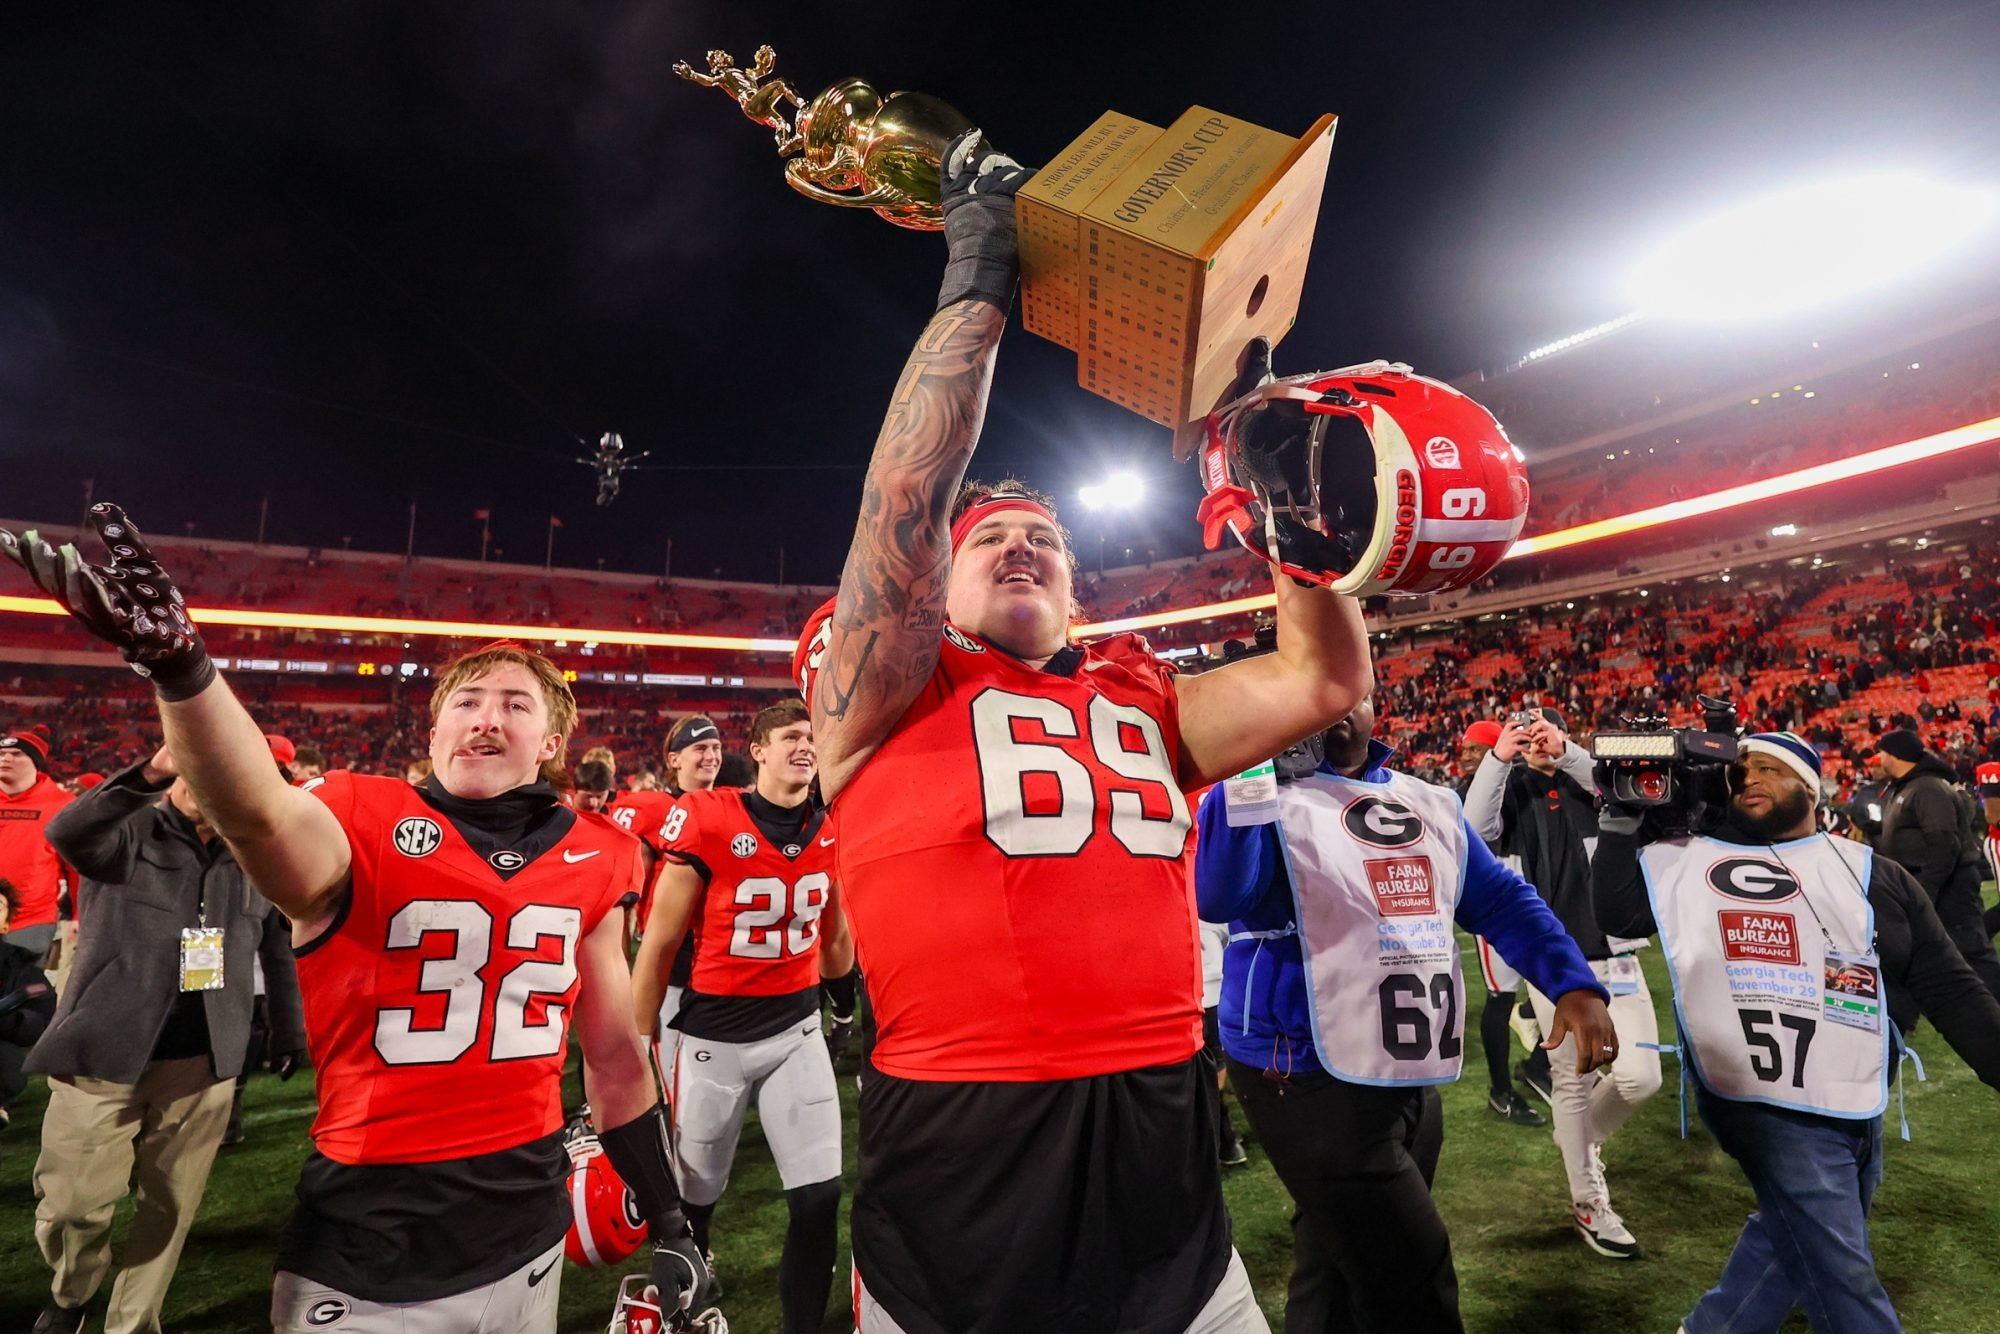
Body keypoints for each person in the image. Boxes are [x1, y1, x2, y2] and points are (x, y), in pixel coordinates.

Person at [795, 128, 1373, 1333]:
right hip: (965, 1139)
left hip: (1160, 1130)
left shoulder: (1136, 692)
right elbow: (902, 504)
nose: (1017, 545)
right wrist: (975, 290)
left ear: (1075, 590)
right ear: (936, 588)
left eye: (1043, 540)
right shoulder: (888, 685)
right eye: (986, 537)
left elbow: (1320, 680)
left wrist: (1289, 512)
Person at [1, 510, 711, 1334]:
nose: (486, 717)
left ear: (552, 738)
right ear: (434, 727)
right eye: (467, 701)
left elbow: (617, 1059)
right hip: (372, 1234)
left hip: (526, 1225)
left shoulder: (599, 852)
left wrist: (670, 1217)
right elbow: (260, 817)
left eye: (515, 705)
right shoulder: (357, 814)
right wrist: (183, 672)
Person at [1197, 695, 1613, 1332]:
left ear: (1374, 705)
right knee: (1414, 1282)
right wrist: (1251, 771)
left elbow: (1500, 901)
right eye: (1312, 692)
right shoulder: (1262, 794)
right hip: (1301, 1071)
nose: (1332, 706)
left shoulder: (1430, 801)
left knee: (1335, 1268)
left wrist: (1573, 985)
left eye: (1350, 692)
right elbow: (1221, 894)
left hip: (1408, 1067)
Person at [1594, 731, 2000, 1333]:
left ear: (1809, 786)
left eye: (1766, 768)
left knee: (1792, 1237)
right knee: (1844, 1280)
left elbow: (1949, 986)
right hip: (1759, 1095)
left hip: (1855, 1089)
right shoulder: (1691, 858)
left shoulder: (1873, 872)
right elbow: (1618, 913)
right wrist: (1620, 821)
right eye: (1738, 772)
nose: (1746, 778)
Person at [29, 741, 306, 1334]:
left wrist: (289, 1029)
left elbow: (277, 943)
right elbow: (67, 832)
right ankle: (73, 1292)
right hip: (101, 1053)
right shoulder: (128, 828)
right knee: (73, 1205)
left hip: (204, 1061)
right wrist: (155, 767)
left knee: (171, 1206)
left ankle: (133, 1323)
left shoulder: (256, 850)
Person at [632, 698, 852, 1333]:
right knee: (696, 1201)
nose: (805, 745)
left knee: (819, 1200)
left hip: (795, 1032)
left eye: (812, 736)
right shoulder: (708, 816)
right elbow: (659, 946)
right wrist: (635, 1048)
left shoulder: (831, 823)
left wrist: (843, 1008)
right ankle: (689, 1294)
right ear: (757, 751)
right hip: (711, 1041)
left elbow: (836, 937)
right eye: (790, 736)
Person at [1465, 706, 1661, 1258]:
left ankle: (1579, 1142)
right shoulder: (1513, 788)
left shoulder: (1589, 781)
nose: (1535, 739)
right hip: (1554, 963)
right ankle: (1588, 1200)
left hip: (1615, 955)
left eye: (1541, 728)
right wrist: (1499, 757)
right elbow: (1472, 832)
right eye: (1524, 731)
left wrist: (1568, 750)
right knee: (1572, 1082)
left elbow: (1627, 794)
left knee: (1641, 1079)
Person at [1456, 719, 1544, 1127]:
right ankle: (1500, 1091)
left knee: (1559, 985)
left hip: (1538, 893)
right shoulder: (1464, 793)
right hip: (1497, 901)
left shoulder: (1525, 782)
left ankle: (1538, 1062)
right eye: (1466, 750)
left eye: (1475, 749)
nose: (1466, 756)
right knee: (1500, 994)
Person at [1873, 729, 2000, 996]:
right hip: (1925, 882)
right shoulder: (1908, 786)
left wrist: (1926, 889)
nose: (1878, 758)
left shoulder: (1927, 787)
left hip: (1948, 883)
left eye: (1882, 752)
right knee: (1928, 952)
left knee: (1972, 950)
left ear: (1896, 754)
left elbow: (1943, 841)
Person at [0, 727, 73, 956]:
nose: (6, 758)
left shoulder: (62, 806)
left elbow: (76, 868)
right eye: (2, 753)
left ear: (36, 762)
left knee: (22, 990)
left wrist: (79, 916)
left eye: (17, 754)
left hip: (31, 922)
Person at [0, 880, 58, 1134]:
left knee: (6, 1060)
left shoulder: (20, 967)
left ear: (6, 923)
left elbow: (41, 1017)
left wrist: (11, 1019)